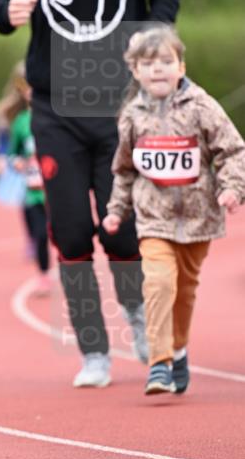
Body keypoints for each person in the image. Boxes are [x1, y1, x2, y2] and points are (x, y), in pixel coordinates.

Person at [0, 0, 181, 388]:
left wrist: (151, 40)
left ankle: (140, 324)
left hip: (120, 103)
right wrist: (8, 12)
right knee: (69, 231)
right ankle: (94, 351)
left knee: (120, 229)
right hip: (53, 107)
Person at [103, 25, 245, 395]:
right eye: (149, 64)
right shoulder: (132, 116)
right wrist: (116, 209)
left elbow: (233, 151)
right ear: (135, 71)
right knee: (158, 283)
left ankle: (178, 349)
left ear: (181, 66)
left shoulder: (202, 106)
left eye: (167, 61)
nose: (158, 70)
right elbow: (124, 169)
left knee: (184, 290)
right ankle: (161, 363)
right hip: (154, 219)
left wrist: (232, 188)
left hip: (199, 220)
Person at [0, 62, 50, 290]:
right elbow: (8, 145)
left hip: (54, 184)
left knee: (62, 230)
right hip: (31, 186)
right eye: (26, 86)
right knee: (39, 230)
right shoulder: (15, 118)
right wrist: (5, 159)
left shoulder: (56, 114)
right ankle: (41, 265)